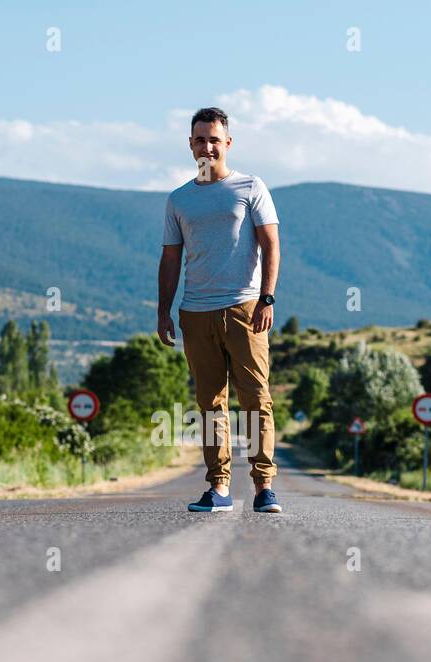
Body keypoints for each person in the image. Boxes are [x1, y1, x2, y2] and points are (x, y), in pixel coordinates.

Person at [157, 106, 282, 514]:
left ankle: (264, 487)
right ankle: (219, 488)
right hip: (196, 313)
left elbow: (270, 245)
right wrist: (164, 311)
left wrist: (266, 297)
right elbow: (170, 260)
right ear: (190, 145)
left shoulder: (250, 187)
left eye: (214, 139)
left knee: (255, 399)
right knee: (210, 403)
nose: (207, 146)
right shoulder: (179, 200)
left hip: (245, 307)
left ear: (228, 143)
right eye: (199, 139)